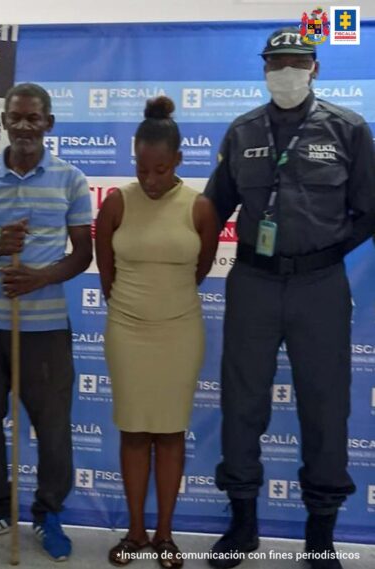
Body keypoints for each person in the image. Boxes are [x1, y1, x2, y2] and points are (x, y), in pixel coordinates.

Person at [204, 28, 375, 569]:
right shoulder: (242, 131)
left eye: (296, 62)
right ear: (264, 70)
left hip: (319, 288)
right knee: (241, 403)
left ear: (315, 69)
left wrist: (325, 252)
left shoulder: (348, 130)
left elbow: (370, 208)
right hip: (253, 282)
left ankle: (320, 534)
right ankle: (243, 525)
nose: (286, 71)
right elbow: (213, 207)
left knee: (326, 406)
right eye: (276, 63)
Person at [0, 82, 93, 561]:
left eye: (34, 118)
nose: (25, 126)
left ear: (48, 123)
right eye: (17, 116)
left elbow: (83, 254)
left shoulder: (70, 178)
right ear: (5, 120)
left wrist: (38, 278)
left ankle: (48, 511)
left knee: (53, 426)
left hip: (46, 326)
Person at [96, 96, 219, 567]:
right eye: (142, 169)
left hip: (179, 332)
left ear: (179, 162)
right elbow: (105, 271)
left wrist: (165, 303)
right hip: (126, 330)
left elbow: (200, 269)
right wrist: (132, 307)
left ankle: (165, 535)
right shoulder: (115, 204)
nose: (150, 180)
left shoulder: (201, 207)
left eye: (161, 170)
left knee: (169, 434)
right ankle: (135, 532)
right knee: (133, 432)